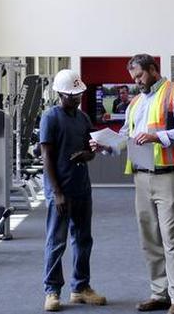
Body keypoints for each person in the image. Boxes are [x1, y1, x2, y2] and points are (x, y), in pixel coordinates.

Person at [91, 54, 174, 314]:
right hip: (141, 177)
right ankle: (159, 293)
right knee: (149, 239)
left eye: (139, 76)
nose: (136, 82)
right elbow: (126, 137)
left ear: (152, 69)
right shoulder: (136, 102)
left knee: (173, 239)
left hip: (171, 176)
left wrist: (157, 137)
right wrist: (106, 146)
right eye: (133, 78)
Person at [39, 69, 108, 311]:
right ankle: (52, 291)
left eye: (79, 94)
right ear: (60, 94)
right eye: (72, 95)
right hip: (61, 191)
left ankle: (80, 288)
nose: (77, 99)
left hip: (81, 189)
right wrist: (56, 192)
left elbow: (90, 150)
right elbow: (46, 157)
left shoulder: (83, 118)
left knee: (83, 240)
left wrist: (89, 154)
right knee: (56, 241)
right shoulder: (50, 118)